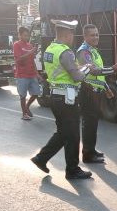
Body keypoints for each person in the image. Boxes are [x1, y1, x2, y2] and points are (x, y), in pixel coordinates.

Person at [30, 19, 93, 180]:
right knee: (72, 136)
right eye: (72, 33)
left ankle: (41, 158)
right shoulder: (65, 52)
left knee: (64, 133)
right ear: (66, 34)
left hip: (56, 97)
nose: (73, 37)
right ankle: (72, 170)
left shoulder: (50, 49)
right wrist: (87, 68)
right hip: (67, 100)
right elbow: (77, 76)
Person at [76, 24, 117, 163]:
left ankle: (91, 150)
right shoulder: (84, 52)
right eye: (92, 35)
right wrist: (112, 70)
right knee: (89, 123)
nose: (96, 37)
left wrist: (107, 89)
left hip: (95, 91)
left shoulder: (93, 51)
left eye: (97, 34)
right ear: (85, 36)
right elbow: (93, 71)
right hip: (87, 91)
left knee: (93, 123)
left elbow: (99, 76)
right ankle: (88, 154)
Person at [13, 26, 41, 120]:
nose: (27, 37)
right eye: (25, 35)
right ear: (19, 35)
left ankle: (27, 106)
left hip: (31, 74)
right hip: (22, 74)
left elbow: (32, 60)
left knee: (36, 92)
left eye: (28, 36)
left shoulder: (29, 45)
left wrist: (37, 73)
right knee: (23, 95)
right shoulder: (17, 45)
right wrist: (30, 52)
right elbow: (19, 59)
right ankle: (24, 114)